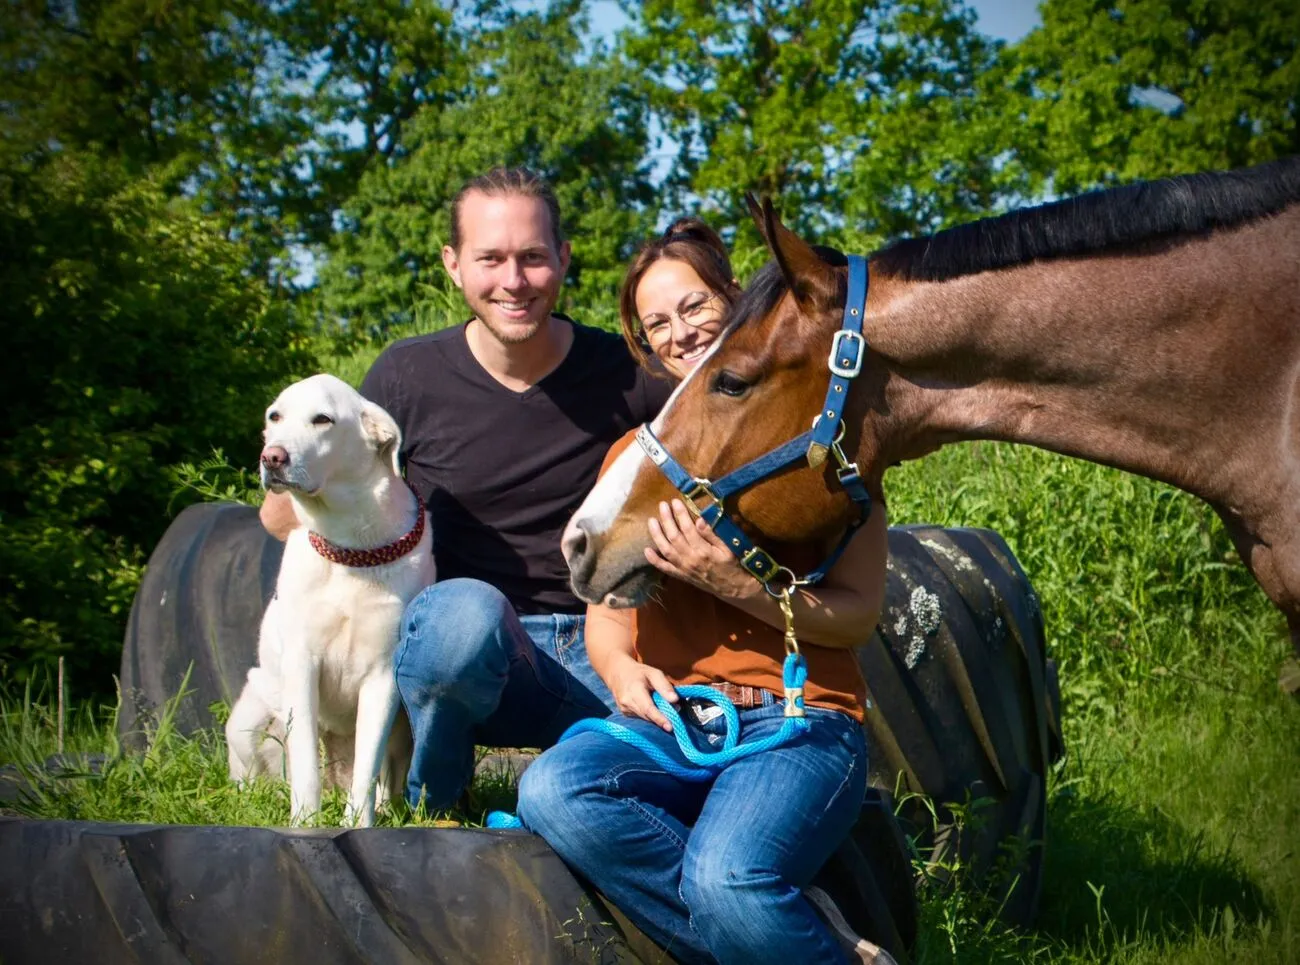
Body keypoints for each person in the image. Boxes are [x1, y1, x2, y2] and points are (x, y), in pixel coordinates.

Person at [516, 220, 894, 964]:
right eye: (657, 322)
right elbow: (608, 628)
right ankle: (790, 930)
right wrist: (624, 676)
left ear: (734, 299)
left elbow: (855, 620)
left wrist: (732, 579)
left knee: (727, 880)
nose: (679, 332)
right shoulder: (634, 458)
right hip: (682, 721)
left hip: (801, 720)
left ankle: (754, 915)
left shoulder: (816, 438)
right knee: (552, 791)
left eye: (692, 306)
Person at [260, 167, 671, 811]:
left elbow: (718, 449)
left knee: (681, 742)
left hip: (604, 647)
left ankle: (601, 785)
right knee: (462, 615)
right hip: (462, 653)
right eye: (491, 259)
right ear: (453, 265)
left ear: (563, 259)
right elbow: (283, 511)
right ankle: (437, 799)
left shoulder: (628, 372)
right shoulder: (406, 376)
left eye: (533, 257)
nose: (513, 281)